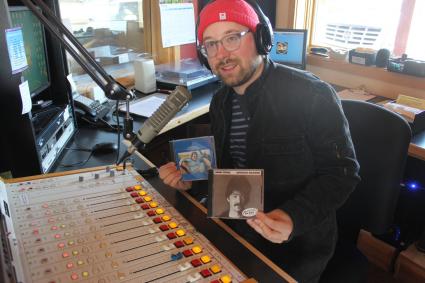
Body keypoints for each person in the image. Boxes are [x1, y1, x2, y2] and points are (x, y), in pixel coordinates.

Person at [159, 0, 360, 282]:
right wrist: (193, 180)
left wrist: (293, 217)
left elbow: (342, 173)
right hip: (237, 226)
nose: (222, 54)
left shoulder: (312, 94)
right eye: (211, 44)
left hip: (296, 242)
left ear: (261, 38)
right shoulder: (221, 100)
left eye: (232, 38)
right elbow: (227, 167)